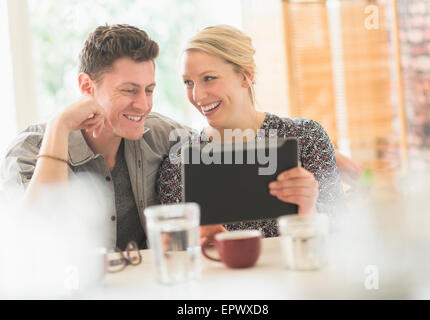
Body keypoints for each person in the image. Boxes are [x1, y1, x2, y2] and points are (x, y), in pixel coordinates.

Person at [1, 24, 192, 250]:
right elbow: (29, 237)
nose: (144, 105)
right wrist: (59, 127)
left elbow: (222, 153)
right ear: (87, 86)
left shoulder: (162, 135)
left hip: (147, 281)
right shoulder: (29, 149)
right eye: (129, 90)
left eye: (149, 90)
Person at [157, 25, 345, 237]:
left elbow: (344, 232)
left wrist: (308, 208)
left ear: (246, 75)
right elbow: (174, 249)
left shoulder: (306, 137)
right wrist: (203, 240)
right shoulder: (179, 163)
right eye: (188, 82)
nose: (197, 95)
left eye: (209, 78)